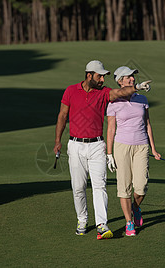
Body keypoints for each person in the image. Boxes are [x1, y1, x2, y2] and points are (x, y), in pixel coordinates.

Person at [54, 60, 151, 240]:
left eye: (104, 76)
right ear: (89, 75)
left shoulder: (104, 92)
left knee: (100, 187)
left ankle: (102, 224)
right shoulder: (70, 91)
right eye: (99, 76)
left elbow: (121, 92)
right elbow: (62, 115)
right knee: (78, 188)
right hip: (75, 145)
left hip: (97, 145)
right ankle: (82, 219)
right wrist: (57, 141)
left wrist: (136, 86)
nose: (102, 79)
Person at [106, 66, 161, 236]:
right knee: (124, 187)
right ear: (120, 81)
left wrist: (153, 148)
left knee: (141, 185)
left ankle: (135, 207)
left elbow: (147, 124)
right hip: (122, 146)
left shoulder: (142, 99)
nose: (132, 79)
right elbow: (110, 129)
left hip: (141, 145)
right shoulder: (113, 102)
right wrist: (109, 154)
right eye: (128, 77)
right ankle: (129, 222)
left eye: (133, 77)